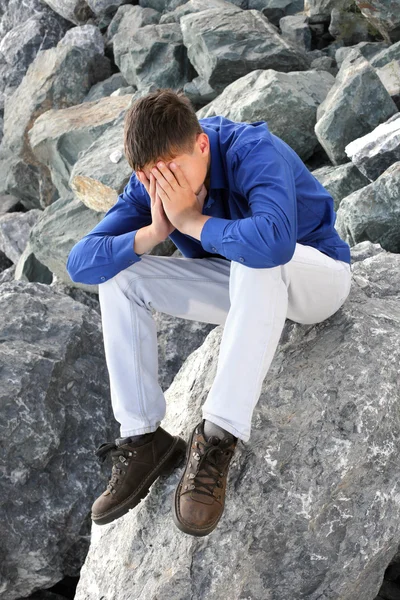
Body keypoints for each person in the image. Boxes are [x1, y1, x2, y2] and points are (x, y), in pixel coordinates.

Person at [66, 87, 352, 537]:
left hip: (316, 280)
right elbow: (80, 262)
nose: (164, 187)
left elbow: (274, 241)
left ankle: (217, 437)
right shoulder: (152, 181)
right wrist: (154, 231)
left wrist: (190, 222)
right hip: (245, 293)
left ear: (201, 145)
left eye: (173, 172)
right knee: (120, 275)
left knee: (258, 255)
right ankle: (144, 439)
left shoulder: (252, 149)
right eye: (150, 179)